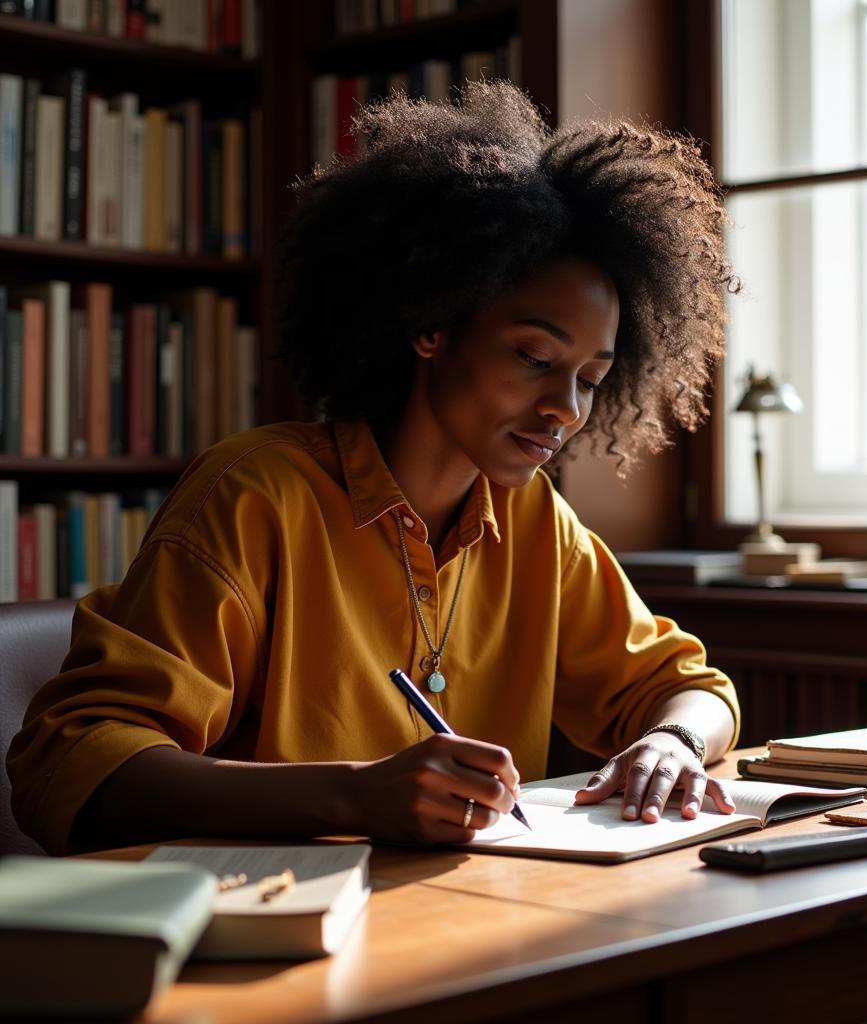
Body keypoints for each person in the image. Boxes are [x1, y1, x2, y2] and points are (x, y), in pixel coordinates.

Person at [8, 81, 741, 856]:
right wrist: (352, 793)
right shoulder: (259, 494)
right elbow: (72, 765)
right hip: (265, 935)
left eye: (591, 378)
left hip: (466, 924)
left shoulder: (535, 524)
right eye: (534, 357)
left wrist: (674, 745)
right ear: (430, 325)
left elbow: (692, 691)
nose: (566, 408)